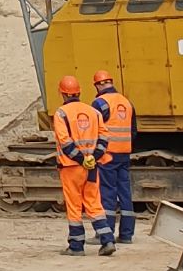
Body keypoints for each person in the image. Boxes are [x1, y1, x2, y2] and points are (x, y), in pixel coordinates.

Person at [52, 73, 114, 255]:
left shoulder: (61, 113)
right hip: (92, 166)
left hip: (71, 167)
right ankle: (108, 240)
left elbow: (65, 142)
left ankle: (76, 246)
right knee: (94, 203)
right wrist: (93, 157)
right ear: (79, 92)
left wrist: (80, 159)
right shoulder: (93, 112)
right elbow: (104, 136)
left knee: (74, 205)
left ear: (62, 94)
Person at [92, 69, 136, 246]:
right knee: (125, 192)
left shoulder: (100, 103)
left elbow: (94, 131)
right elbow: (133, 131)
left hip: (107, 156)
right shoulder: (127, 102)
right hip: (124, 154)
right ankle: (126, 235)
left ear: (98, 85)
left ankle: (106, 233)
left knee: (107, 193)